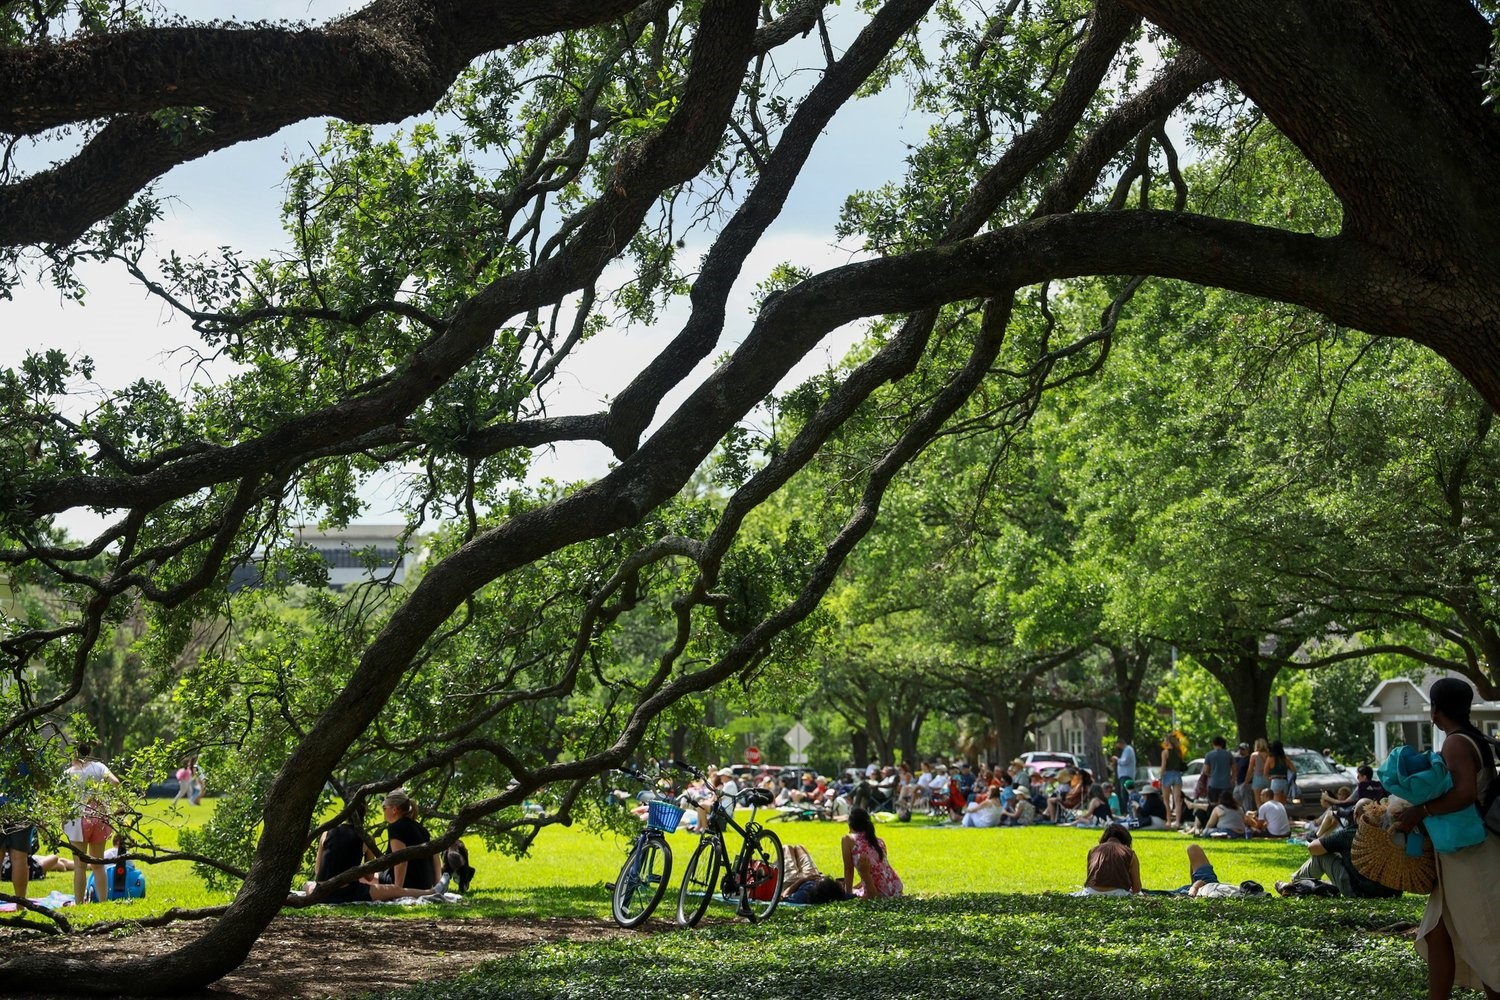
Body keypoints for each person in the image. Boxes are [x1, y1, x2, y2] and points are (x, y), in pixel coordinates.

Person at [1391, 677, 1500, 999]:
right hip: (1457, 855)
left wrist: (1420, 810)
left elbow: (1465, 794)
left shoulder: (1456, 743)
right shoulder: (1471, 738)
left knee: (1485, 939)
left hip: (1473, 855)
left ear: (1435, 711)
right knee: (1437, 933)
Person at [302, 820, 450, 903]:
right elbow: (369, 877)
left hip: (322, 892)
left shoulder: (326, 832)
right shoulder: (366, 838)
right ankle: (431, 892)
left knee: (306, 884)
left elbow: (317, 870)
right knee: (395, 890)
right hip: (349, 892)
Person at [1276, 800, 1398, 899]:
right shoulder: (1388, 833)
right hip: (1391, 893)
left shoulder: (1349, 834)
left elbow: (1313, 848)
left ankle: (1293, 885)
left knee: (1322, 856)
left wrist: (1324, 840)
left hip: (1360, 893)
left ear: (1355, 814)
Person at [62, 742, 120, 905]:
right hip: (99, 817)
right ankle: (103, 902)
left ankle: (79, 904)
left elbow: (62, 801)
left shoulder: (67, 774)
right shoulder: (99, 767)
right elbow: (116, 783)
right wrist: (116, 805)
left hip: (78, 820)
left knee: (80, 866)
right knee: (98, 864)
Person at [380, 789, 439, 890]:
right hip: (425, 884)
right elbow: (436, 857)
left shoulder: (395, 827)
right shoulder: (421, 828)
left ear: (394, 809)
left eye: (384, 808)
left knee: (363, 878)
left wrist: (397, 890)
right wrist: (437, 884)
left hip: (408, 884)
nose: (384, 812)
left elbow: (401, 860)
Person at [841, 807, 903, 899]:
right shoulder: (879, 841)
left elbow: (848, 870)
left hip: (876, 893)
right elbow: (879, 870)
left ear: (850, 825)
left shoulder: (848, 839)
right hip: (895, 887)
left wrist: (848, 893)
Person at [1076, 823, 1141, 896]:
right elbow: (1137, 888)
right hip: (1118, 893)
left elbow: (1091, 879)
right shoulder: (1130, 853)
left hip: (1091, 891)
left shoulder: (1093, 851)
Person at [1160, 731, 1186, 829]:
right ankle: (1178, 822)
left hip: (1167, 775)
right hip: (1177, 775)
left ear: (1167, 741)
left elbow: (1163, 767)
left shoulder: (1165, 752)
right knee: (1177, 800)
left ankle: (1169, 821)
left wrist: (1160, 777)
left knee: (1166, 800)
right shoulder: (1179, 752)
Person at [1203, 736, 1235, 803]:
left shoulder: (1209, 755)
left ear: (1213, 744)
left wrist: (1211, 775)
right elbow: (1234, 768)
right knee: (1227, 805)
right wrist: (1233, 778)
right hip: (1226, 784)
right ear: (1222, 744)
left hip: (1213, 784)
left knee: (1213, 805)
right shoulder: (1229, 754)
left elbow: (1205, 771)